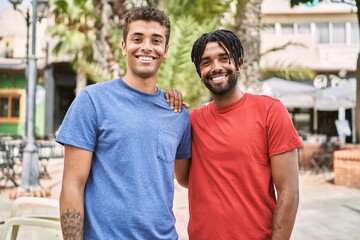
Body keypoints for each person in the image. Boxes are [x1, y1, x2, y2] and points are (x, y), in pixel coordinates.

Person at [56, 7, 191, 239]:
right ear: (123, 46)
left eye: (156, 40)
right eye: (137, 39)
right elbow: (72, 186)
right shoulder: (92, 101)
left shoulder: (178, 113)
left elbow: (186, 178)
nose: (147, 47)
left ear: (166, 51)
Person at [187, 29, 302, 239]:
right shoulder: (193, 121)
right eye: (206, 62)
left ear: (239, 64)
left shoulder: (270, 111)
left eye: (224, 58)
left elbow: (288, 192)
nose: (216, 67)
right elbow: (186, 179)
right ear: (199, 74)